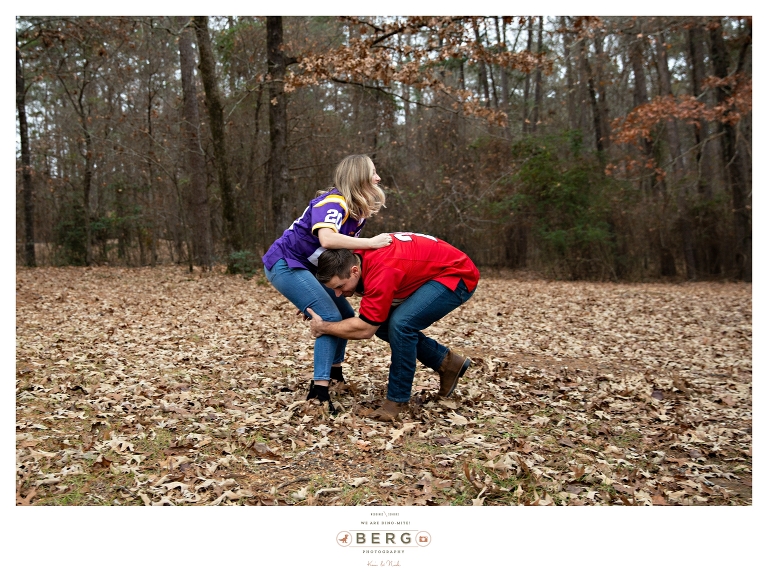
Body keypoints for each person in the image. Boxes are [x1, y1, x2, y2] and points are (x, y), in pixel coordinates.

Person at [263, 154, 392, 410]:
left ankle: (334, 374)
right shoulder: (334, 202)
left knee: (345, 313)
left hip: (308, 269)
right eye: (373, 172)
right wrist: (370, 243)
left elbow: (339, 257)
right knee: (329, 318)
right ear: (359, 177)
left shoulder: (356, 211)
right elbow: (328, 240)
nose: (378, 178)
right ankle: (319, 393)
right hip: (286, 263)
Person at [306, 232, 480, 422]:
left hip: (457, 274)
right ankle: (447, 363)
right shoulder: (352, 257)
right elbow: (371, 321)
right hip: (435, 268)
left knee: (402, 325)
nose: (338, 294)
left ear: (355, 271)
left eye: (340, 286)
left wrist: (323, 327)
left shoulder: (381, 270)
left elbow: (365, 329)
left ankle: (396, 400)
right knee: (382, 324)